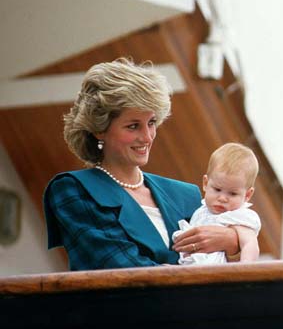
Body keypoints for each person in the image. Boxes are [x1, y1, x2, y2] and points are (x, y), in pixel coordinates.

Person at [43, 57, 239, 270]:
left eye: (152, 123)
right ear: (99, 129)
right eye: (133, 126)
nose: (147, 137)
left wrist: (233, 240)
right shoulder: (73, 190)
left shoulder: (185, 195)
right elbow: (119, 265)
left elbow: (222, 265)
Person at [174, 143, 261, 264]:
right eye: (217, 189)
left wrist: (245, 269)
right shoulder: (201, 211)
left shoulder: (238, 216)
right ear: (205, 183)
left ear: (247, 195)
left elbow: (250, 244)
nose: (222, 198)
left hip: (217, 274)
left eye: (232, 194)